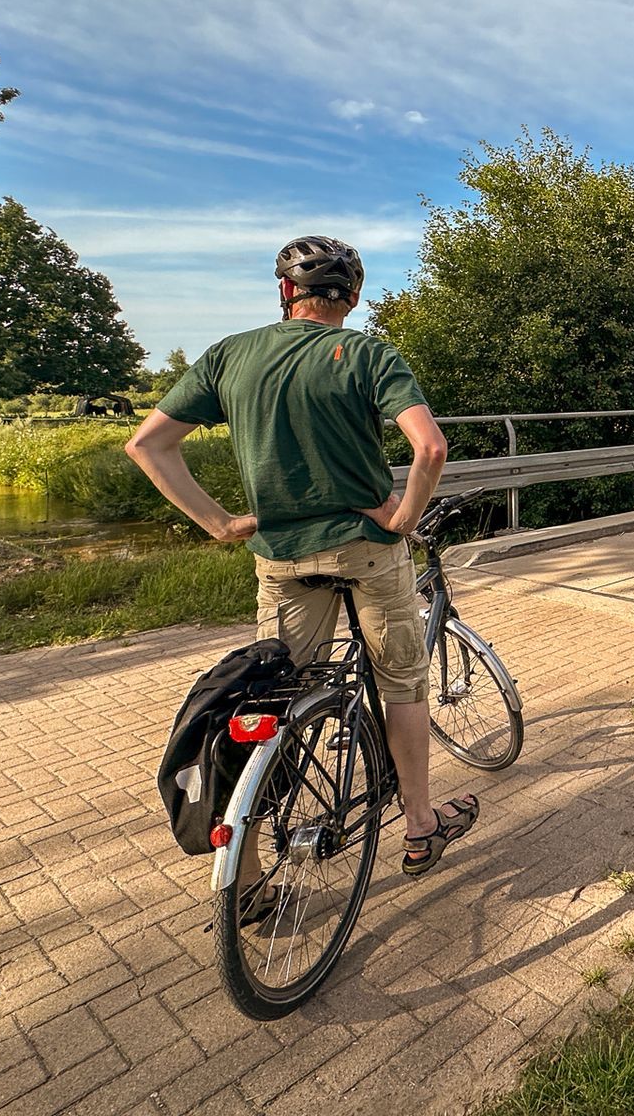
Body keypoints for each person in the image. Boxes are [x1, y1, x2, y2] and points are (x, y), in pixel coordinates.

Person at [126, 235, 477, 878]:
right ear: (353, 296)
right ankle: (421, 827)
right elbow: (430, 450)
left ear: (286, 292)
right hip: (368, 551)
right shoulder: (367, 352)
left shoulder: (229, 355)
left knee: (272, 699)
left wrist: (221, 523)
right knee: (401, 685)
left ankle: (248, 865)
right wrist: (402, 517)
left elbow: (148, 446)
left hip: (282, 555)